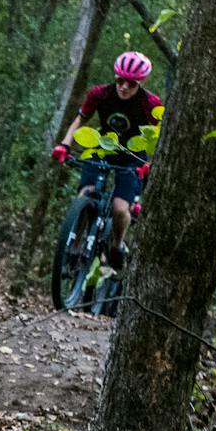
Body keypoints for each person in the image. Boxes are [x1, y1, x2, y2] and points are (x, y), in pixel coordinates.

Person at [51, 50, 161, 269]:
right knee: (85, 194)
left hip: (133, 155)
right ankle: (75, 243)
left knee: (120, 209)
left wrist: (149, 164)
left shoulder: (150, 104)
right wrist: (65, 144)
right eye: (120, 80)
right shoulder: (100, 94)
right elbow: (80, 119)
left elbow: (158, 137)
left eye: (131, 83)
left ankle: (116, 245)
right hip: (103, 146)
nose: (124, 87)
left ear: (139, 83)